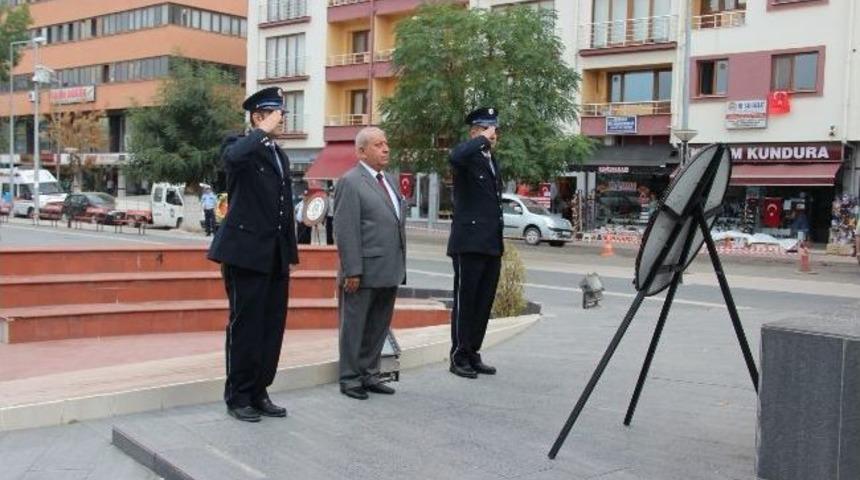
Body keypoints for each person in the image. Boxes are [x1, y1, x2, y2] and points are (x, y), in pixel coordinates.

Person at [207, 87, 299, 422]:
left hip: (275, 254)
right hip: (245, 253)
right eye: (276, 113)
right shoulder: (237, 145)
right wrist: (260, 131)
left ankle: (260, 390)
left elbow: (280, 207)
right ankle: (238, 396)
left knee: (272, 327)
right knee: (245, 326)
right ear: (258, 116)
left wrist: (290, 251)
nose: (282, 119)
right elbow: (231, 161)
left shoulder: (279, 154)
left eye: (282, 113)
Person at [333, 127, 406, 400]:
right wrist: (352, 270)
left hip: (389, 268)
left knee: (378, 325)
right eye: (378, 144)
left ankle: (370, 374)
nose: (386, 148)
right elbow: (346, 229)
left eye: (386, 143)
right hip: (362, 271)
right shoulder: (350, 182)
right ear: (362, 151)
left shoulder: (391, 181)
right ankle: (350, 379)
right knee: (355, 326)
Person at [446, 107, 503, 379]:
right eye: (485, 128)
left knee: (482, 302)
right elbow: (454, 155)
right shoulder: (466, 157)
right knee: (466, 300)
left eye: (493, 129)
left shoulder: (490, 160)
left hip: (490, 242)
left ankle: (472, 352)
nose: (492, 134)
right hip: (468, 242)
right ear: (473, 132)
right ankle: (458, 355)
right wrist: (481, 140)